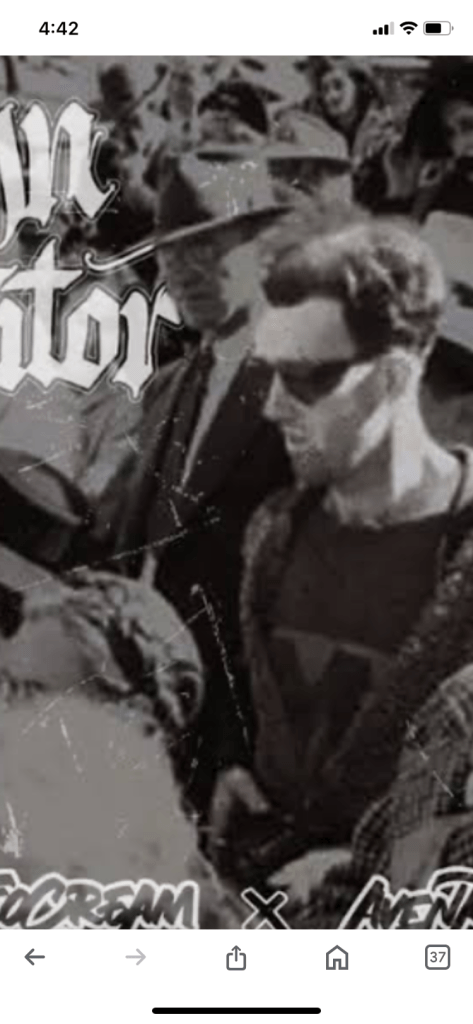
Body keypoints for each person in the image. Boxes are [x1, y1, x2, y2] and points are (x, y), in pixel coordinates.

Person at [208, 221, 473, 882]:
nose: (273, 407)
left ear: (392, 376)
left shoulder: (460, 551)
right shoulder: (271, 530)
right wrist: (229, 764)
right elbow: (248, 692)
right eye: (269, 374)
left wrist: (366, 865)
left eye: (303, 379)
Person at [95, 151, 292, 823]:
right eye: (170, 253)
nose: (183, 271)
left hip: (232, 732)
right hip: (141, 705)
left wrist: (241, 745)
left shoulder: (298, 386)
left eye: (208, 249)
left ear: (265, 250)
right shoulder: (170, 386)